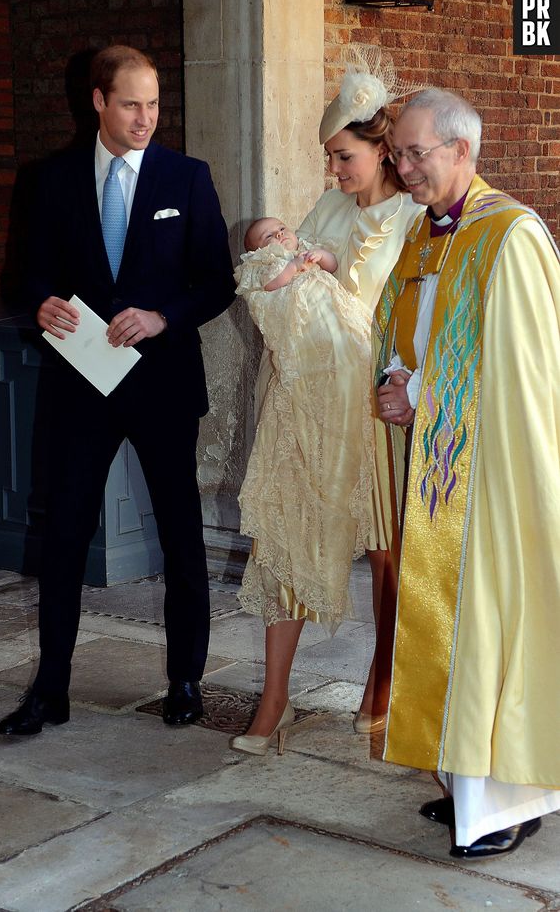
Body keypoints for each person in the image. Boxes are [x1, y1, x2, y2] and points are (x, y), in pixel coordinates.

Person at [0, 45, 235, 737]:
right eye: (131, 103)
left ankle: (186, 679)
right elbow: (25, 275)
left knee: (181, 534)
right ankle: (51, 689)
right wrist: (39, 302)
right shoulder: (50, 180)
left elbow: (216, 280)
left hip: (162, 384)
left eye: (154, 104)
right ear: (97, 101)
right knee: (63, 534)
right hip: (80, 384)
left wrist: (163, 317)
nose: (145, 117)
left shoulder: (187, 178)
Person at [373, 86, 560, 858]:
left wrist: (420, 393)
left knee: (487, 628)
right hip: (439, 465)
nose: (404, 167)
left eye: (418, 153)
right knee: (445, 628)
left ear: (463, 151)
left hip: (492, 476)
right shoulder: (426, 234)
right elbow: (403, 321)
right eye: (400, 153)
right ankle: (464, 788)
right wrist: (394, 374)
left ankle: (505, 802)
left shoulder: (509, 235)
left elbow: (522, 370)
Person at [230, 45, 424, 755]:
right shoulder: (329, 205)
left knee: (387, 554)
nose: (334, 171)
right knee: (285, 537)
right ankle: (274, 698)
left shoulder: (410, 213)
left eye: (344, 157)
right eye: (330, 159)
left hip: (376, 405)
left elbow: (369, 295)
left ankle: (385, 683)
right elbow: (286, 266)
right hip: (316, 398)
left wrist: (316, 264)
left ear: (379, 150)